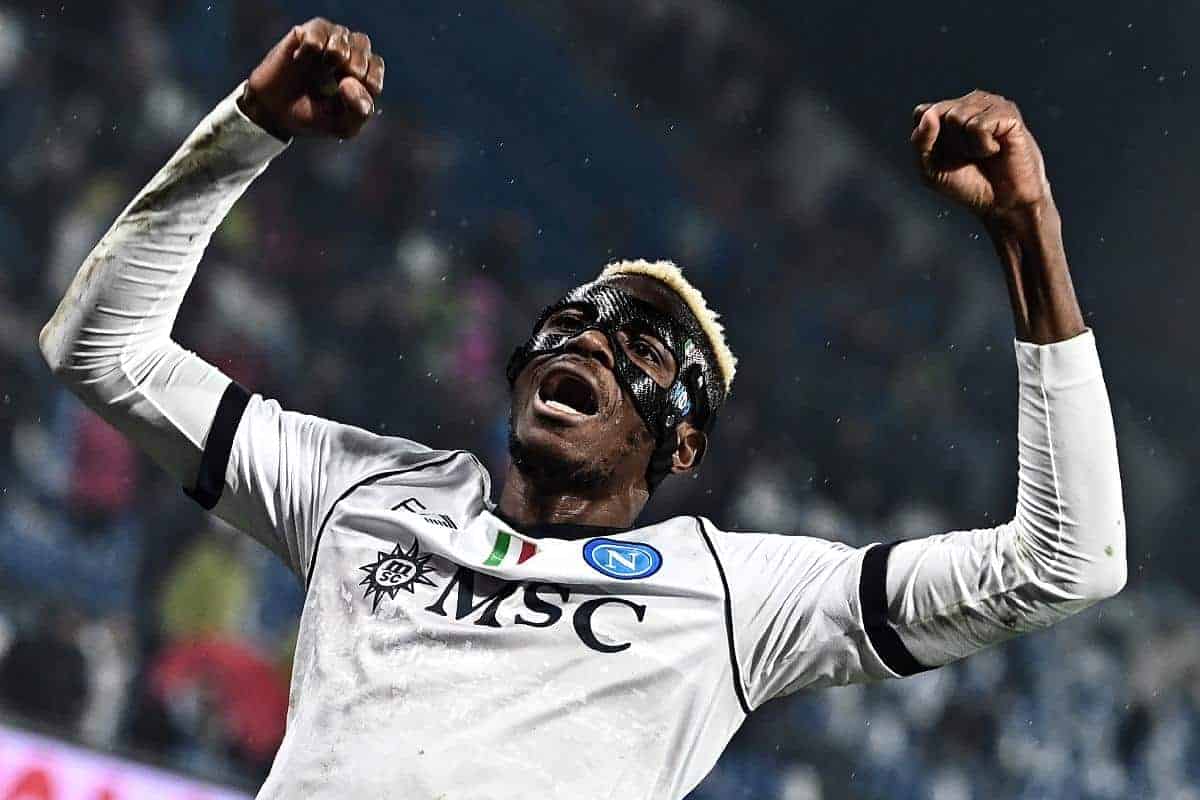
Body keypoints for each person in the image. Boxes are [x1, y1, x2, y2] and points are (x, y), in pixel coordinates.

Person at [40, 17, 1126, 800]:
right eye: (570, 321)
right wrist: (249, 128)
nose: (590, 339)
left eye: (640, 345)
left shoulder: (736, 596)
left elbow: (1067, 562)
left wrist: (1028, 233)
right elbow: (99, 350)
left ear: (682, 442)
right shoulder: (364, 490)